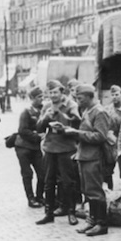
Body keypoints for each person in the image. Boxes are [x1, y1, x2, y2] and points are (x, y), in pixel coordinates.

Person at [63, 84, 111, 237]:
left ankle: (101, 224)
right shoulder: (87, 110)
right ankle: (92, 220)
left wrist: (76, 133)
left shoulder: (99, 112)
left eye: (80, 98)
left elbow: (100, 136)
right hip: (84, 156)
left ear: (90, 97)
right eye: (77, 98)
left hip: (94, 157)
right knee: (87, 190)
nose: (78, 101)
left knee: (95, 191)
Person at [35, 80, 81, 226]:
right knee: (48, 182)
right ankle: (48, 213)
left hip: (66, 148)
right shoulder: (47, 106)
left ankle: (71, 212)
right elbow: (39, 128)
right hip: (50, 148)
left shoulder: (71, 105)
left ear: (62, 92)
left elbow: (77, 123)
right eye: (50, 92)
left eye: (55, 92)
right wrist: (46, 118)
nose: (53, 95)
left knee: (68, 183)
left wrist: (63, 121)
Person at [15, 86, 45, 209]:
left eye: (42, 96)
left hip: (35, 148)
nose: (41, 99)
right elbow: (22, 130)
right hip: (23, 147)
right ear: (32, 98)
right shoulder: (26, 112)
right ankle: (30, 198)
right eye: (38, 97)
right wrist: (37, 136)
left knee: (42, 173)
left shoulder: (43, 110)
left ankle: (39, 196)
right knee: (27, 174)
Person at [104, 85, 121, 190]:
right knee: (107, 171)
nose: (114, 97)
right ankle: (109, 193)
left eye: (117, 94)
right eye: (112, 95)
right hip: (110, 144)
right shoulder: (107, 110)